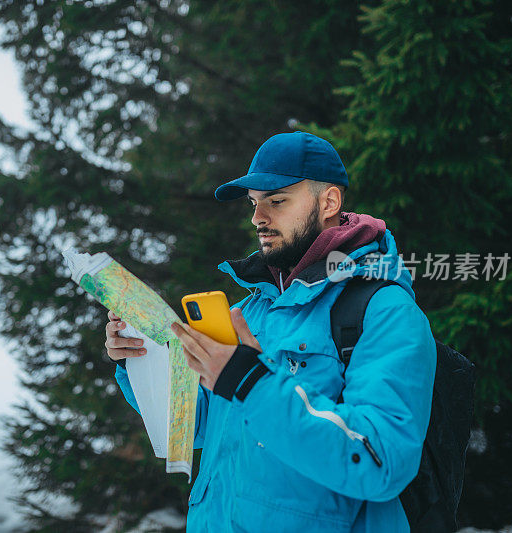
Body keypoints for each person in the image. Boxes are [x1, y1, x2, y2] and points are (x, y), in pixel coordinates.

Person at [105, 131, 436, 532]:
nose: (258, 218)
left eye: (277, 201)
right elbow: (194, 427)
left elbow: (380, 458)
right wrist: (141, 358)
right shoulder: (246, 313)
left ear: (329, 202)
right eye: (254, 203)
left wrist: (252, 382)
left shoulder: (382, 310)